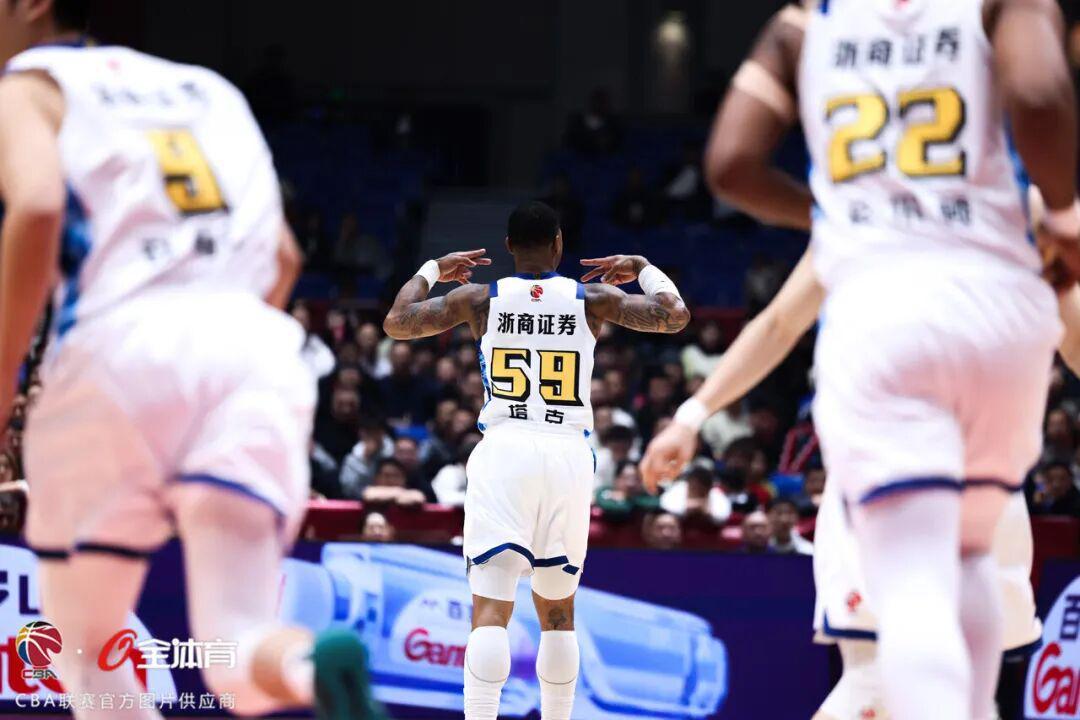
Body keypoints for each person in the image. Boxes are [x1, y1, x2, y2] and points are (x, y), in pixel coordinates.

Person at [672, 0, 1077, 716]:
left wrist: (692, 412)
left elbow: (732, 171)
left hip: (887, 335)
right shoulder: (998, 33)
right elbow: (1042, 96)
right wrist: (1068, 216)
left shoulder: (810, 22)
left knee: (890, 645)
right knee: (966, 572)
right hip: (1000, 329)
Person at [0, 3, 375, 718]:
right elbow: (284, 258)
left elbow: (39, 206)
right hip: (251, 349)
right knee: (236, 645)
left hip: (118, 349)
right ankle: (309, 669)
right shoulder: (212, 91)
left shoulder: (29, 86)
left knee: (84, 648)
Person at [382, 200, 689, 720]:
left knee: (490, 607)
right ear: (559, 244)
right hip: (567, 452)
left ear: (507, 247)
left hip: (505, 450)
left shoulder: (479, 298)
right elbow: (674, 315)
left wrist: (433, 268)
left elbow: (397, 323)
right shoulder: (592, 298)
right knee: (558, 609)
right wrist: (641, 267)